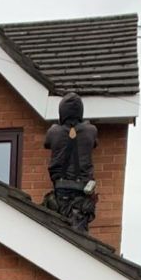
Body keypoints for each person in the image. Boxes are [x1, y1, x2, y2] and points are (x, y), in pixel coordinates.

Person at [43, 92, 99, 233]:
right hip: (81, 195)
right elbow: (93, 142)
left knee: (56, 234)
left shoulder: (53, 132)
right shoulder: (91, 130)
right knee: (78, 238)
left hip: (60, 194)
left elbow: (47, 143)